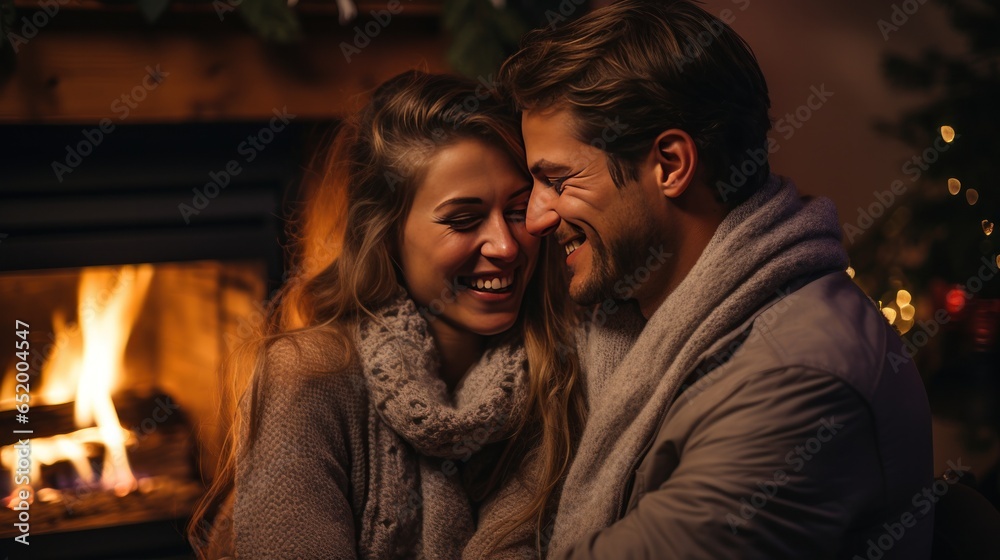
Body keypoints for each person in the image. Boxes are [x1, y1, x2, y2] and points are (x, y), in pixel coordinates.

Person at [498, 1, 935, 558]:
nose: (533, 220)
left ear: (672, 165)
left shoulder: (798, 380)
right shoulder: (635, 316)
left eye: (557, 181)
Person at [187, 70, 584, 559]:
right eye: (462, 220)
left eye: (519, 211)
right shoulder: (308, 375)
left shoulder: (566, 365)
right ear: (386, 234)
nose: (505, 246)